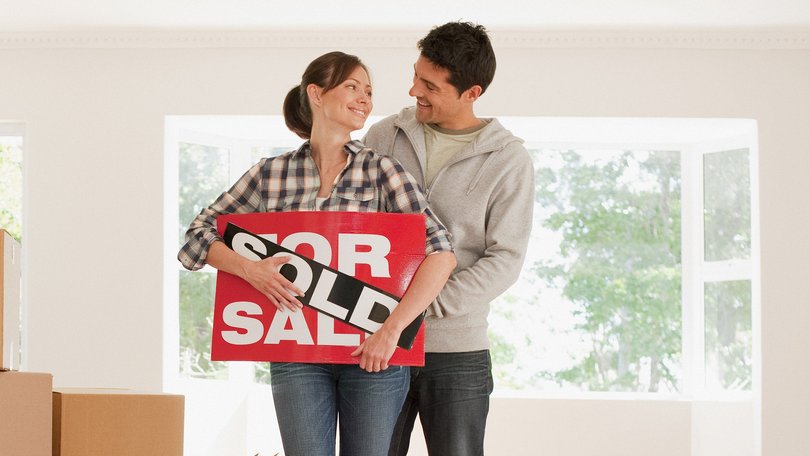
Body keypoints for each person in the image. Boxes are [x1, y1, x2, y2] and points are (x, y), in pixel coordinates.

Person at [177, 51, 456, 456]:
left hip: (373, 356)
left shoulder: (382, 171)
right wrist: (249, 269)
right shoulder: (270, 173)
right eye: (352, 86)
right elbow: (196, 237)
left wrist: (391, 331)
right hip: (296, 353)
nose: (364, 98)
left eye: (369, 91)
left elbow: (442, 253)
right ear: (317, 93)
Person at [363, 22, 534, 456]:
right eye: (416, 75)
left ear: (471, 93)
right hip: (378, 341)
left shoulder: (508, 159)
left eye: (429, 85)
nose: (412, 90)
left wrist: (419, 306)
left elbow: (505, 259)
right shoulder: (383, 136)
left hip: (458, 351)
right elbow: (357, 226)